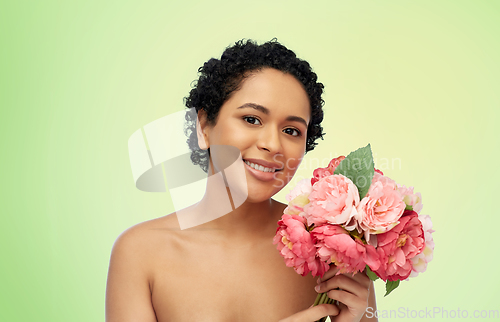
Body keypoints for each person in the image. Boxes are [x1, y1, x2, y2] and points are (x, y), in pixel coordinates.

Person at [105, 39, 377, 322]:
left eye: (291, 130)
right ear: (204, 127)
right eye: (251, 119)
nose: (273, 144)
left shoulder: (332, 249)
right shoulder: (140, 252)